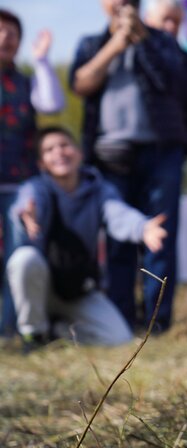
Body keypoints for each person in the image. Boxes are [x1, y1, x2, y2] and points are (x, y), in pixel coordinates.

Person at [70, 0, 187, 333]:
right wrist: (117, 44)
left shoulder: (161, 40)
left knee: (160, 237)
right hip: (108, 156)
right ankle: (121, 319)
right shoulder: (91, 44)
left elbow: (173, 82)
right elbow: (80, 84)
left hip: (160, 153)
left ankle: (156, 321)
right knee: (118, 240)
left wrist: (141, 39)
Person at [6, 127, 168, 352]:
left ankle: (57, 331)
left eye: (64, 145)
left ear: (79, 153)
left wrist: (143, 227)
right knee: (24, 259)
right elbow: (27, 204)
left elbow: (118, 214)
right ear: (42, 163)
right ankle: (33, 334)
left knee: (118, 338)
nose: (59, 152)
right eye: (49, 149)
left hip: (77, 288)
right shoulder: (35, 188)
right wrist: (26, 215)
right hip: (41, 287)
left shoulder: (99, 190)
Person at [0, 9, 64, 336]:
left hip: (21, 185)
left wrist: (41, 61)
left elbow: (52, 104)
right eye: (0, 31)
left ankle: (11, 329)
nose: (5, 38)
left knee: (19, 253)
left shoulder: (27, 81)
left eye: (12, 33)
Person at [144, 0, 187, 155]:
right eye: (165, 19)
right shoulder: (129, 56)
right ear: (148, 19)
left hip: (171, 154)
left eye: (176, 21)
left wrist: (186, 142)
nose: (171, 26)